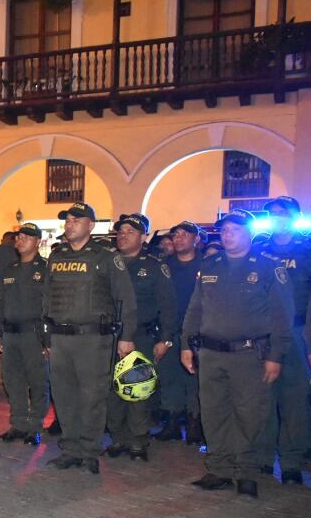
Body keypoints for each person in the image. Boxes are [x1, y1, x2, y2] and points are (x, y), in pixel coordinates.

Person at [183, 210, 292, 497]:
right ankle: (218, 468)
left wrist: (276, 355)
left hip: (249, 354)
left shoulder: (268, 266)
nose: (228, 234)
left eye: (235, 229)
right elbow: (195, 309)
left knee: (249, 414)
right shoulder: (210, 264)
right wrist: (185, 345)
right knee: (214, 411)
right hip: (211, 352)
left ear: (249, 233)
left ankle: (246, 471)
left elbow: (283, 315)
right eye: (225, 230)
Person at [42, 203, 137, 474]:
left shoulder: (105, 257)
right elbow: (47, 298)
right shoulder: (56, 256)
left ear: (90, 226)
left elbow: (125, 298)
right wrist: (46, 337)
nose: (69, 224)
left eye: (76, 220)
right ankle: (70, 449)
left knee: (92, 396)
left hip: (93, 339)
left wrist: (126, 337)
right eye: (68, 220)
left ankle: (89, 452)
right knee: (64, 396)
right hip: (61, 338)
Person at [104, 214, 176, 462]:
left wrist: (165, 338)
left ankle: (137, 439)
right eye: (120, 231)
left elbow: (168, 306)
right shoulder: (107, 261)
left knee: (137, 389)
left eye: (130, 232)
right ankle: (117, 437)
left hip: (141, 336)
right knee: (112, 390)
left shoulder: (155, 265)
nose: (123, 235)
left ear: (143, 236)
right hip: (108, 336)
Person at [254, 196, 311, 483]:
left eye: (282, 213)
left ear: (294, 216)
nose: (276, 217)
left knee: (295, 400)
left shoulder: (308, 249)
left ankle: (290, 462)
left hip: (298, 333)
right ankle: (263, 457)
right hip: (263, 335)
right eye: (272, 213)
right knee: (263, 398)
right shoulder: (259, 249)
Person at [0, 223, 49, 445]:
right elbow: (0, 302)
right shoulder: (10, 269)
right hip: (10, 334)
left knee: (37, 381)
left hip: (34, 334)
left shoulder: (45, 269)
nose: (20, 240)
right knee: (13, 381)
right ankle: (18, 424)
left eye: (27, 237)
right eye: (18, 237)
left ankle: (35, 425)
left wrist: (48, 339)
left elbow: (49, 306)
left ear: (38, 241)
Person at [154, 221, 204, 444]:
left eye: (185, 234)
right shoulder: (164, 265)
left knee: (195, 380)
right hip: (169, 330)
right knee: (169, 377)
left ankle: (194, 424)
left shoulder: (208, 265)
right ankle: (172, 422)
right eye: (175, 235)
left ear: (196, 239)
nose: (178, 238)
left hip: (198, 332)